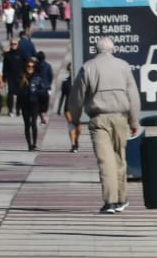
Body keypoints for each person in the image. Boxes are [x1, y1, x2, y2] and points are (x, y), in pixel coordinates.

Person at [67, 37, 142, 214]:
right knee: (119, 158)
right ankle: (122, 199)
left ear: (96, 50)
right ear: (112, 49)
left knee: (105, 160)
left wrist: (74, 119)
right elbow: (133, 95)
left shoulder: (88, 67)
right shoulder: (123, 66)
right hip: (121, 118)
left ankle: (110, 201)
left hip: (99, 118)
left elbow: (77, 96)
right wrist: (134, 121)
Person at [15, 56, 46, 151]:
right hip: (24, 103)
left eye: (32, 66)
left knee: (33, 123)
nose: (30, 68)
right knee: (27, 124)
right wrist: (17, 108)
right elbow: (18, 92)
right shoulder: (21, 77)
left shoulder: (37, 78)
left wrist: (42, 105)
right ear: (25, 67)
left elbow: (43, 91)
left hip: (34, 102)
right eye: (28, 66)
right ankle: (29, 144)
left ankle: (35, 144)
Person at [56, 61, 80, 153]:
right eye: (70, 69)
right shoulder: (65, 82)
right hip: (67, 107)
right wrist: (59, 108)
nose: (71, 71)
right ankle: (73, 145)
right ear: (68, 70)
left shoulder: (79, 81)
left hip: (77, 106)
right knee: (71, 125)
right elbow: (62, 95)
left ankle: (76, 140)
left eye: (73, 69)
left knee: (78, 128)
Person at [2, 38, 24, 116]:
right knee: (10, 94)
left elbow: (26, 64)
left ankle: (18, 110)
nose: (13, 45)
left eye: (15, 44)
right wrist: (4, 78)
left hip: (20, 77)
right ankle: (10, 110)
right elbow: (4, 67)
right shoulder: (7, 55)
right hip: (10, 77)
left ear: (18, 45)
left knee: (20, 94)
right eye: (12, 44)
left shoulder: (22, 53)